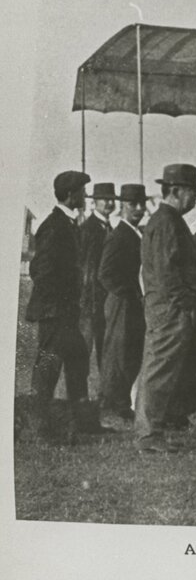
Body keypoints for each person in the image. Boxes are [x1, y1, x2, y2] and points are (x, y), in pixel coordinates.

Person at [134, 164, 196, 453]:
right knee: (159, 370)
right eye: (192, 190)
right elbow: (167, 273)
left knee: (158, 368)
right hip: (171, 310)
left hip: (167, 307)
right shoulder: (167, 222)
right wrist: (187, 306)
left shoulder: (166, 219)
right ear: (175, 191)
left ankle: (151, 430)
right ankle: (148, 434)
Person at [25, 170, 93, 443]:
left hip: (64, 312)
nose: (85, 196)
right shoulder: (54, 226)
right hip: (55, 313)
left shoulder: (67, 223)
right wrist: (58, 303)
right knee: (48, 369)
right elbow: (40, 269)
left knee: (78, 359)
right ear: (70, 194)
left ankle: (81, 423)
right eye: (82, 191)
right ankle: (40, 429)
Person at [97, 183, 148, 423]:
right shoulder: (119, 235)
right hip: (122, 303)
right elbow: (105, 274)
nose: (138, 209)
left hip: (131, 302)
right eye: (132, 205)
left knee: (130, 352)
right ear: (123, 206)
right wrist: (130, 293)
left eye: (141, 204)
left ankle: (120, 401)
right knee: (119, 353)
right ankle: (114, 403)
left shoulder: (135, 233)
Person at [79, 181, 116, 372]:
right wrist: (91, 299)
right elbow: (87, 267)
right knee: (83, 350)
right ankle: (79, 389)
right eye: (104, 199)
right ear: (94, 202)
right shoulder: (89, 228)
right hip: (91, 300)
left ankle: (103, 387)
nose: (109, 203)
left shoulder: (109, 227)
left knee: (106, 349)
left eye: (112, 200)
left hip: (105, 298)